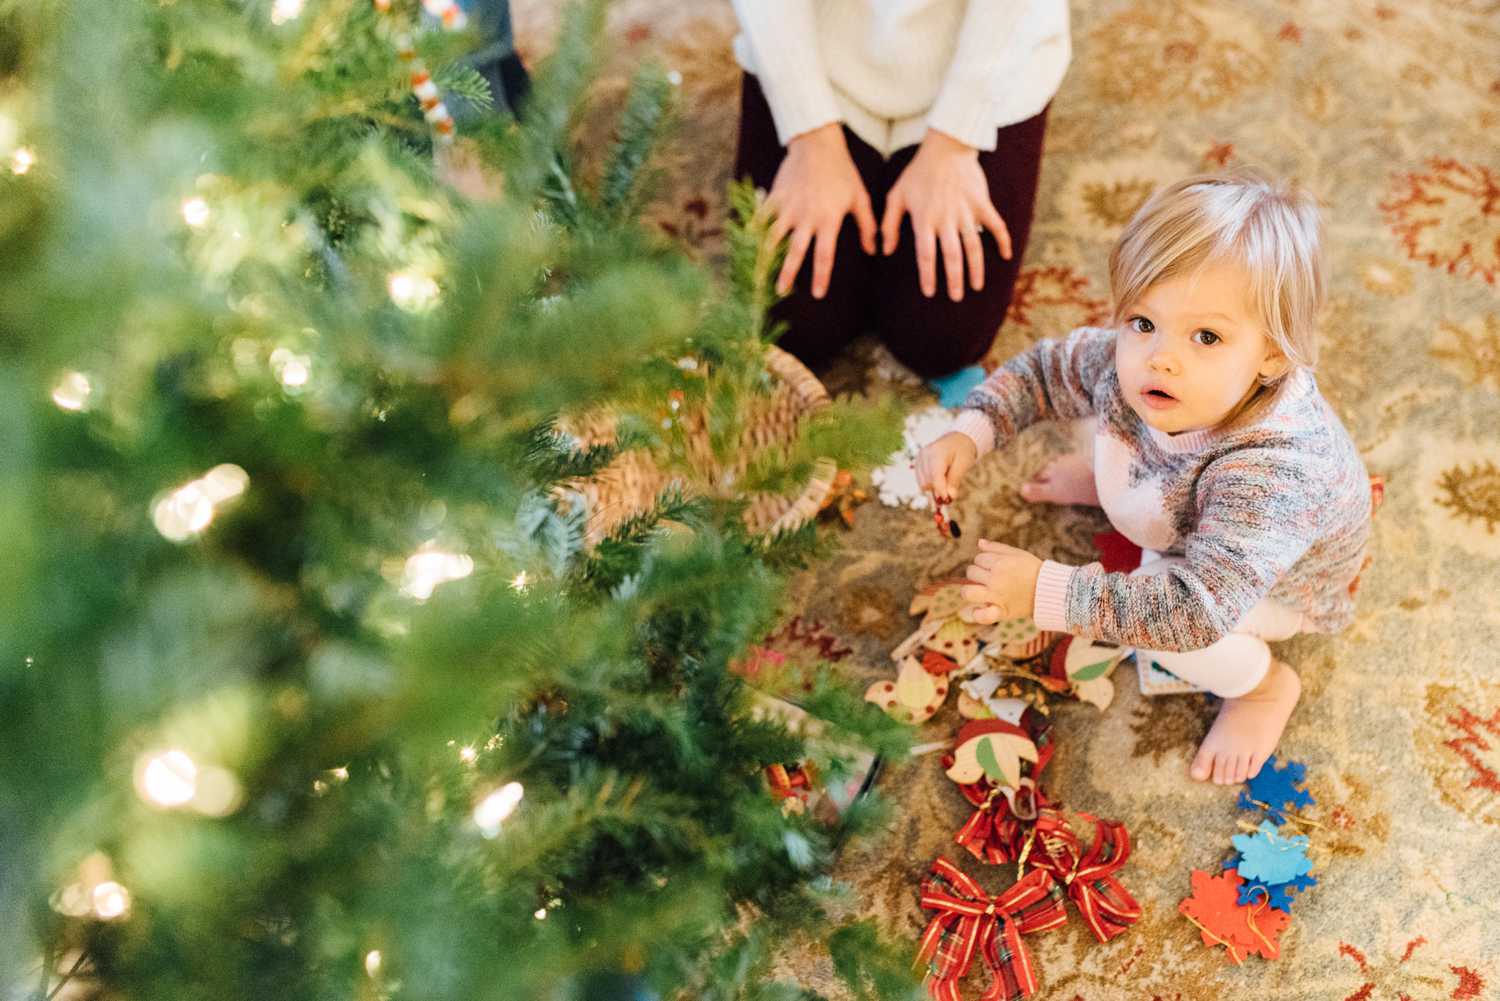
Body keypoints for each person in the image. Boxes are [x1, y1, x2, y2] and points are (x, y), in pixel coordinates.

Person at [914, 169, 1373, 785]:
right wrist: (968, 433)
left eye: (1206, 336)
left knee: (1167, 634)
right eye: (1142, 321)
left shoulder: (1276, 472)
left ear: (1272, 356)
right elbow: (1045, 372)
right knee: (1095, 410)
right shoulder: (1139, 361)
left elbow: (1195, 610)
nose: (1161, 356)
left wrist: (1048, 593)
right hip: (1187, 502)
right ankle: (1135, 490)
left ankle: (1263, 688)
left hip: (1268, 583)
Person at [729, 1, 1071, 378]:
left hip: (981, 50)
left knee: (941, 334)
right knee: (794, 325)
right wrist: (810, 136)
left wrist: (954, 141)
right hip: (820, 45)